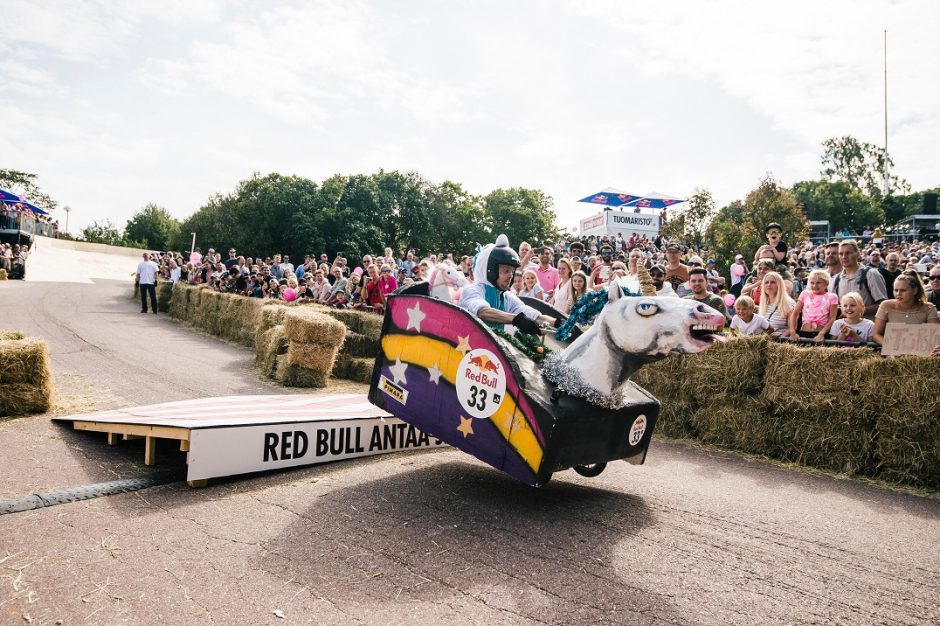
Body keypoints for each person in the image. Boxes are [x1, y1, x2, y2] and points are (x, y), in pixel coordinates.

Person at [458, 234, 557, 334]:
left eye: (512, 271)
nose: (510, 276)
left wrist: (555, 322)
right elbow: (483, 311)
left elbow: (526, 312)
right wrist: (517, 320)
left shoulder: (505, 296)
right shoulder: (472, 290)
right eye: (506, 271)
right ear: (490, 270)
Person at [871, 271, 939, 345]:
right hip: (892, 353)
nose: (898, 294)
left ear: (915, 291)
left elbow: (935, 336)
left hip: (920, 353)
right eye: (896, 290)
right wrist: (890, 345)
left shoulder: (929, 308)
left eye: (903, 290)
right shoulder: (885, 306)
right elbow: (876, 335)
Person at [831, 240, 888, 319]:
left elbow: (883, 305)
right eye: (841, 254)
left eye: (848, 253)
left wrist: (857, 310)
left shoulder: (871, 274)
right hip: (843, 327)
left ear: (857, 254)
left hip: (868, 327)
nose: (844, 257)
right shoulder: (837, 279)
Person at [788, 269, 838, 342]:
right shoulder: (805, 294)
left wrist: (822, 333)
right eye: (812, 283)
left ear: (826, 283)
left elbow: (832, 319)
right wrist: (792, 331)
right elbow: (795, 313)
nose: (815, 285)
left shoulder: (832, 297)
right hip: (804, 332)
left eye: (818, 283)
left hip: (821, 334)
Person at [758, 271, 795, 337]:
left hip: (779, 341)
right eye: (766, 282)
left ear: (779, 285)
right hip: (763, 340)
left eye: (772, 282)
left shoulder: (789, 303)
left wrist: (780, 339)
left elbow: (791, 328)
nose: (769, 285)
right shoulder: (764, 302)